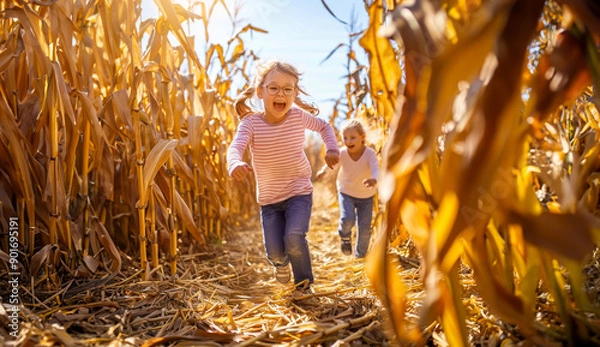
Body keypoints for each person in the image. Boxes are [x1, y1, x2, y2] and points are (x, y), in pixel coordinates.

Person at [227, 60, 340, 289]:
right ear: (260, 91)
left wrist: (332, 148)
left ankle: (304, 284)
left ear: (294, 93)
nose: (281, 94)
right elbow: (235, 146)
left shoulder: (298, 117)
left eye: (287, 89)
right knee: (276, 252)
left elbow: (324, 127)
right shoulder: (250, 123)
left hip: (299, 192)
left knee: (294, 238)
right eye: (273, 88)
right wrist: (235, 163)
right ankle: (280, 264)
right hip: (269, 201)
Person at [316, 119, 379, 258]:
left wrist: (374, 179)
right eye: (345, 138)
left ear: (362, 137)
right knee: (347, 219)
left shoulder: (370, 154)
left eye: (352, 137)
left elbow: (376, 168)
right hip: (346, 191)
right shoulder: (342, 153)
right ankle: (345, 237)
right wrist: (323, 171)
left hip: (366, 196)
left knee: (364, 229)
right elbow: (331, 163)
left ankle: (360, 256)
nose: (348, 141)